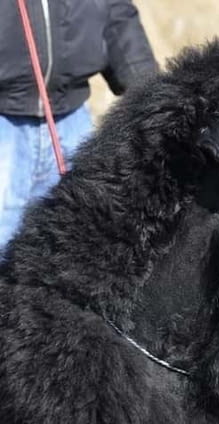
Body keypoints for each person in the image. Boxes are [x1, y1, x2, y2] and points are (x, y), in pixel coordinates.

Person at [0, 0, 158, 250]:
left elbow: (113, 9)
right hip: (4, 126)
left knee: (72, 250)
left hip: (73, 123)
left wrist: (152, 100)